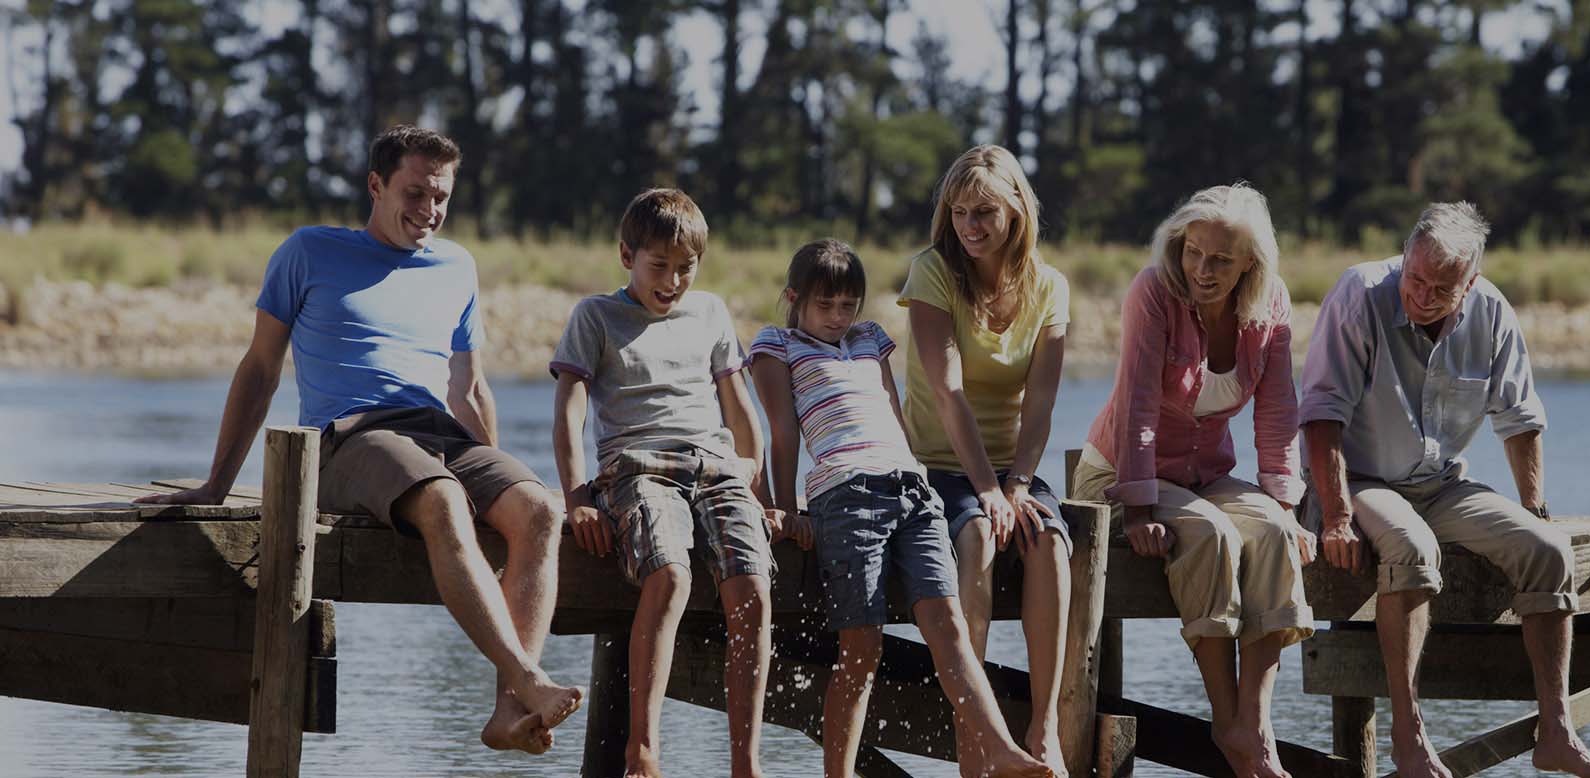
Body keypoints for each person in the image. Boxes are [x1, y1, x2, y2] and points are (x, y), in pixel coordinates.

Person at [137, 125, 583, 755]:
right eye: (415, 192)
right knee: (443, 500)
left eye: (441, 198)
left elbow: (471, 385)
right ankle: (529, 676)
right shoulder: (308, 252)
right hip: (349, 437)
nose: (428, 211)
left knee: (540, 508)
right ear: (375, 185)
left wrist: (500, 480)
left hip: (437, 432)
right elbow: (261, 368)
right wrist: (217, 484)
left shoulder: (457, 265)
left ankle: (509, 712)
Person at [1298, 202, 1590, 778]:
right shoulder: (1359, 294)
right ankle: (1409, 735)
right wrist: (1337, 516)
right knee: (1413, 546)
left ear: (1469, 283)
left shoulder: (1492, 310)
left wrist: (1535, 509)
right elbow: (1321, 416)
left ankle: (1557, 730)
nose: (1421, 295)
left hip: (1442, 482)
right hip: (1361, 481)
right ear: (1405, 257)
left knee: (1550, 552)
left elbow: (1520, 419)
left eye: (1440, 288)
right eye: (1414, 278)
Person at [748, 239, 1054, 778]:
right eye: (825, 306)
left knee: (948, 624)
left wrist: (917, 470)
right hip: (846, 494)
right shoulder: (777, 345)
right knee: (861, 645)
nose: (838, 318)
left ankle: (999, 750)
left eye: (848, 305)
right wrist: (781, 507)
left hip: (913, 490)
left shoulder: (869, 339)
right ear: (794, 298)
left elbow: (894, 411)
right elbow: (781, 431)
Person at [1069, 184, 1317, 778]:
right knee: (1210, 535)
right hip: (1124, 470)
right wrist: (1137, 509)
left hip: (1208, 473)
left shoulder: (1272, 304)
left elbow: (1279, 409)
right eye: (1194, 253)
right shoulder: (1153, 291)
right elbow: (1137, 407)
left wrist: (1285, 501)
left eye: (1220, 260)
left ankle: (1255, 727)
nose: (1202, 271)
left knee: (1274, 535)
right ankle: (1226, 720)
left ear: (1250, 265)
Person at [549, 188, 782, 778]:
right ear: (626, 255)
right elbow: (570, 413)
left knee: (752, 587)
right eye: (660, 266)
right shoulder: (596, 317)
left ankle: (745, 762)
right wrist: (578, 499)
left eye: (686, 267)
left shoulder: (710, 312)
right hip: (638, 467)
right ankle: (643, 749)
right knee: (670, 573)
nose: (673, 280)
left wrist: (762, 493)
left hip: (717, 469)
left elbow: (739, 408)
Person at [900, 145, 1073, 772]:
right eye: (960, 212)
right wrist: (987, 490)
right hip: (937, 463)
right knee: (975, 537)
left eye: (985, 214)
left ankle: (1045, 722)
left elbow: (1043, 402)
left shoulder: (1050, 287)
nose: (970, 227)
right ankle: (973, 730)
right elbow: (947, 393)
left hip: (1010, 468)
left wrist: (1019, 484)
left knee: (1049, 543)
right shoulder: (933, 272)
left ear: (1016, 214)